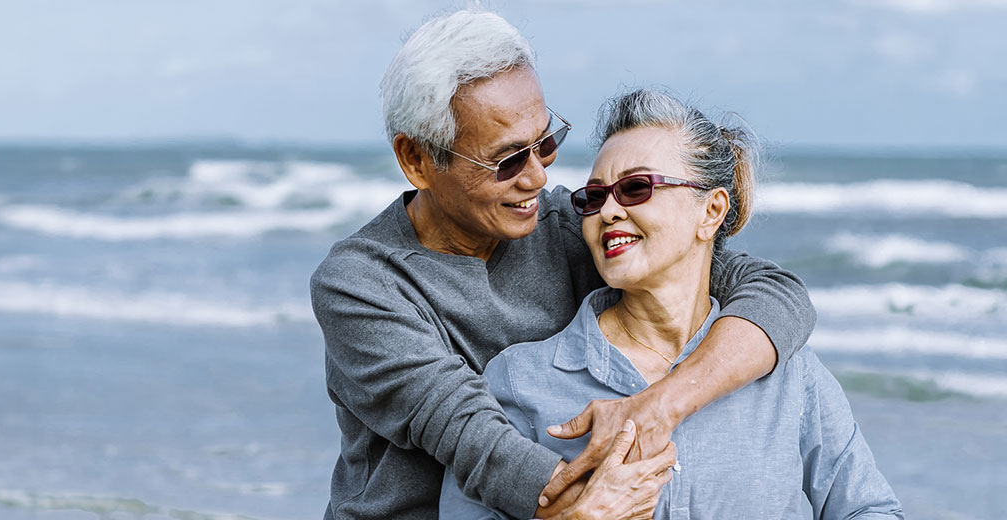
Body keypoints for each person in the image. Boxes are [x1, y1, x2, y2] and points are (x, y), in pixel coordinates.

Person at [310, 8, 817, 519]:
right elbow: (468, 434)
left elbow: (774, 292)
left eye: (546, 142)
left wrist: (663, 403)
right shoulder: (360, 284)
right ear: (416, 160)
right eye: (507, 159)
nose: (536, 177)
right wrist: (583, 508)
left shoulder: (569, 227)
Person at [437, 88, 903, 519]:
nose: (609, 210)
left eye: (637, 187)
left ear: (712, 211)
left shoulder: (789, 373)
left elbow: (871, 509)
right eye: (593, 197)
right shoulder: (519, 380)